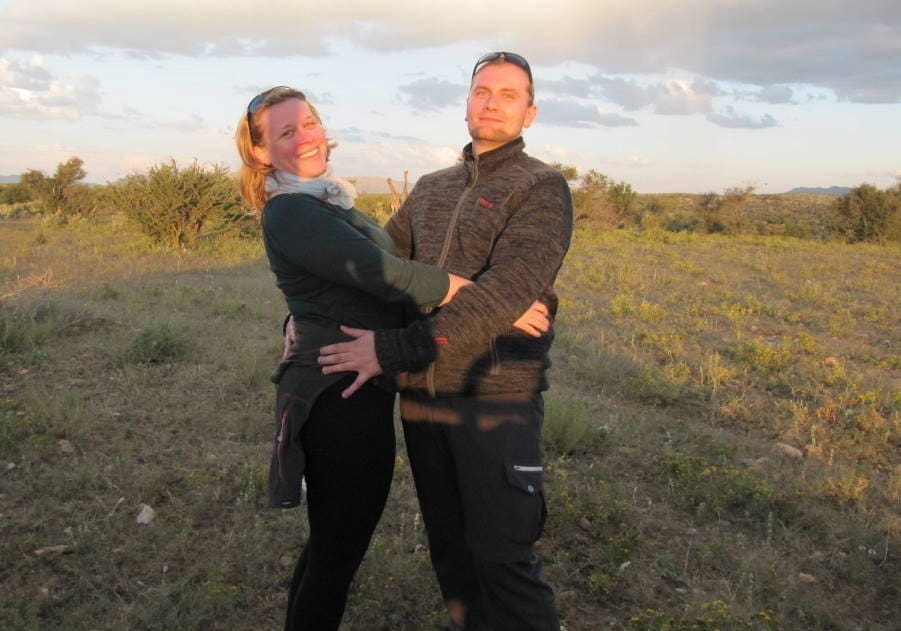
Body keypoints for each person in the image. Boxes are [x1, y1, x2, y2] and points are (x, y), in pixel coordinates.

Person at [235, 86, 549, 631]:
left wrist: (302, 319)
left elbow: (385, 257)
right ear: (262, 153)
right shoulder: (291, 211)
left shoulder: (326, 200)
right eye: (286, 132)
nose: (306, 136)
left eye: (308, 122)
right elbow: (391, 274)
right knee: (338, 552)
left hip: (360, 380)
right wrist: (492, 303)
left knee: (332, 544)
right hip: (342, 391)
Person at [318, 52, 573, 631]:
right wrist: (306, 318)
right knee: (452, 553)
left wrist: (391, 349)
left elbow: (505, 290)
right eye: (482, 90)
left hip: (493, 395)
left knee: (503, 556)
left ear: (529, 113)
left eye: (509, 95)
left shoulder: (540, 187)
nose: (492, 102)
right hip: (423, 398)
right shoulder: (432, 188)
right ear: (466, 104)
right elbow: (379, 268)